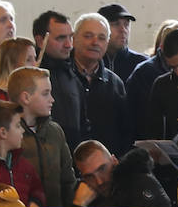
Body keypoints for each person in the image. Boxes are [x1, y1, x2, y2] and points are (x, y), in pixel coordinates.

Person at [49, 12, 131, 156]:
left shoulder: (115, 84)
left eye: (101, 38)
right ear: (74, 39)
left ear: (107, 42)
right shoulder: (55, 78)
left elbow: (124, 131)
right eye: (88, 36)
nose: (95, 42)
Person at [8, 66, 75, 207]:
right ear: (26, 97)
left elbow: (67, 180)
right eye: (46, 94)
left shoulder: (55, 132)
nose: (52, 99)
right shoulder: (7, 135)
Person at [71, 139, 176, 207]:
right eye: (89, 176)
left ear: (114, 161)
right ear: (83, 178)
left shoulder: (139, 183)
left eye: (102, 169)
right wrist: (79, 206)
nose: (99, 181)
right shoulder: (86, 198)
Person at [0, 99, 44, 207]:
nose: (22, 130)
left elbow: (37, 190)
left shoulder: (25, 166)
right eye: (17, 125)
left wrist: (35, 203)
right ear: (3, 133)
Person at [99, 3, 146, 82]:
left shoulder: (142, 64)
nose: (123, 30)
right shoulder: (90, 62)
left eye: (126, 24)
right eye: (116, 24)